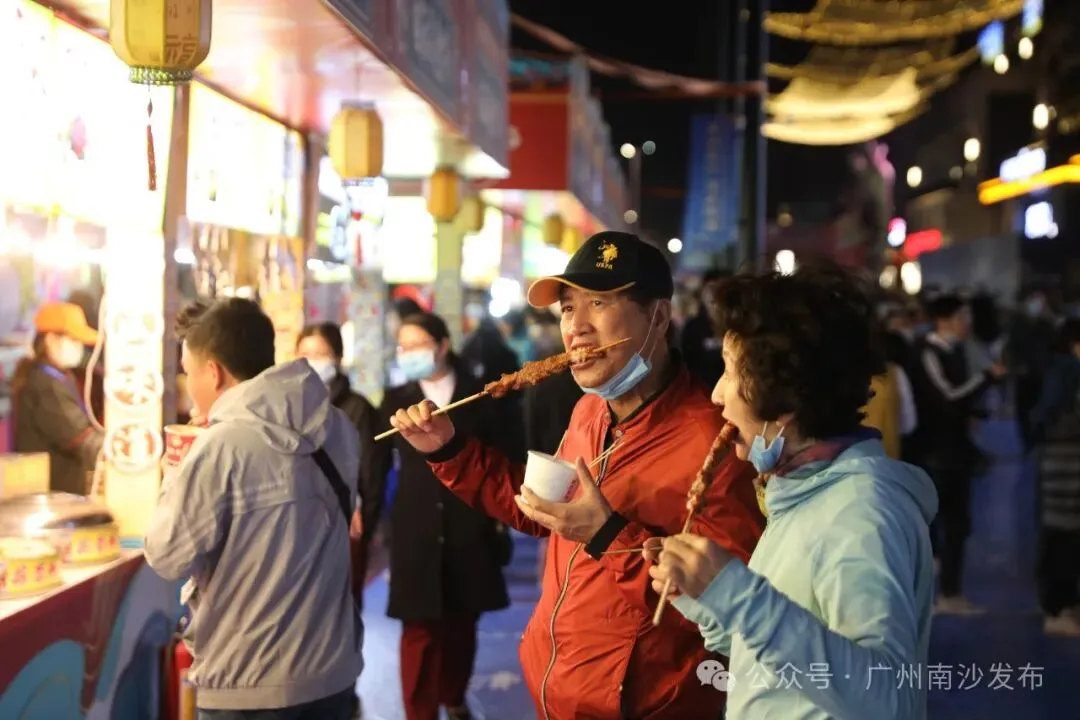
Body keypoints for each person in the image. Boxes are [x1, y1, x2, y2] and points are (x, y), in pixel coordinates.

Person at [389, 231, 763, 719]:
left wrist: (607, 534)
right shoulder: (589, 411)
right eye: (568, 308)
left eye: (599, 303)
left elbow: (725, 614)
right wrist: (449, 450)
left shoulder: (716, 444)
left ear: (657, 317)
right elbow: (542, 511)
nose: (576, 327)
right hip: (556, 692)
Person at [645, 262, 938, 719]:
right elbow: (771, 652)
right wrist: (704, 597)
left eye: (729, 373)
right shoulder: (799, 494)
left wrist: (737, 594)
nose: (717, 395)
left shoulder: (861, 513)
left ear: (782, 400)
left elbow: (885, 698)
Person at [145, 298, 363, 719]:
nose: (188, 385)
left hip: (247, 684)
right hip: (332, 672)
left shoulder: (219, 447)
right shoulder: (337, 426)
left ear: (213, 372)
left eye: (189, 372)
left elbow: (166, 555)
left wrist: (177, 467)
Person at [374, 311, 511, 720]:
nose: (409, 354)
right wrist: (373, 517)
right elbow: (378, 465)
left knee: (462, 619)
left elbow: (502, 455)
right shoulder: (395, 399)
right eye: (403, 347)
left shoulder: (478, 393)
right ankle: (419, 711)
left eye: (417, 345)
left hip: (469, 519)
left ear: (443, 345)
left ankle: (454, 697)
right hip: (414, 522)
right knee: (417, 626)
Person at [296, 322, 378, 720]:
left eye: (320, 354)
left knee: (342, 610)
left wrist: (360, 514)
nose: (311, 362)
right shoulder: (288, 406)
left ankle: (343, 691)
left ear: (338, 358)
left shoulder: (357, 407)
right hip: (299, 527)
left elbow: (370, 472)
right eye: (304, 354)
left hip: (345, 525)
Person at [912, 294, 1004, 613]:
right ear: (945, 321)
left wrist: (975, 411)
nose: (968, 323)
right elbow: (948, 397)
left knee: (958, 524)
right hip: (934, 451)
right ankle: (922, 594)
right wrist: (986, 378)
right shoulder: (927, 352)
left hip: (956, 451)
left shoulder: (957, 351)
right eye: (963, 317)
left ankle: (951, 593)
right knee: (932, 523)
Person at [12, 302, 103, 494]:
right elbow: (81, 439)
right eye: (74, 340)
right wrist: (123, 449)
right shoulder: (45, 385)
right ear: (51, 340)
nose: (79, 348)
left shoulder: (55, 376)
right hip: (53, 495)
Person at [1029, 318, 1080, 636]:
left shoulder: (1061, 370)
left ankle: (1062, 605)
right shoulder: (1067, 372)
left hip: (1062, 465)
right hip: (1066, 468)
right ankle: (1058, 607)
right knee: (1063, 536)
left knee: (1063, 535)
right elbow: (1049, 416)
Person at [681, 269, 729, 390]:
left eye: (721, 288)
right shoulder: (693, 327)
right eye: (710, 288)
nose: (715, 293)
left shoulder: (739, 326)